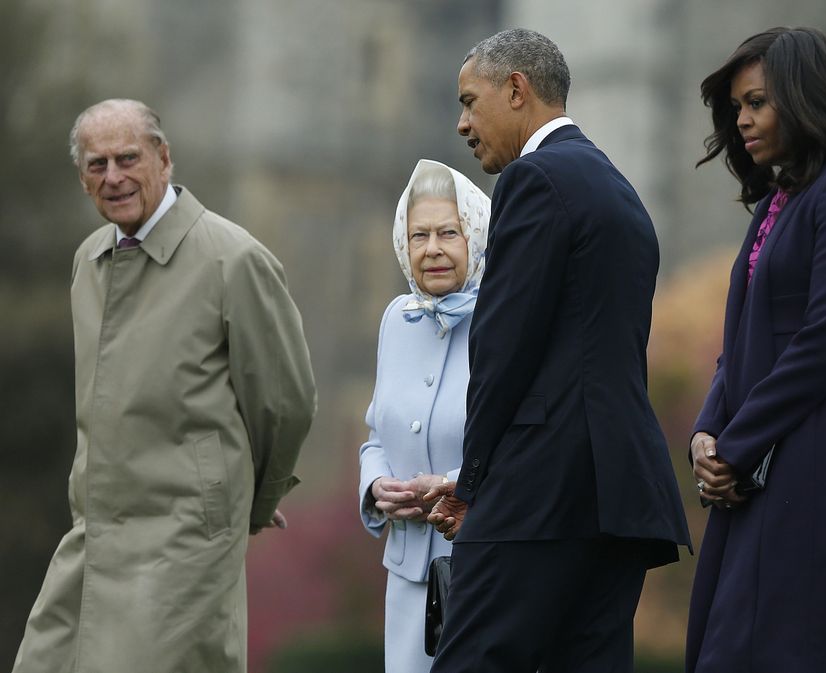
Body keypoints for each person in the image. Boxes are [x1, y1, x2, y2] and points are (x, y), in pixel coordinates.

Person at [13, 99, 317, 673]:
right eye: (97, 165)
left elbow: (286, 401)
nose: (115, 177)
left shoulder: (234, 258)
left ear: (164, 158)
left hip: (184, 543)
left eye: (128, 158)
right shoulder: (89, 261)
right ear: (82, 179)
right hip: (93, 536)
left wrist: (257, 499)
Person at [422, 28, 692, 673]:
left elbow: (504, 347)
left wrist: (472, 481)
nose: (461, 124)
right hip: (618, 496)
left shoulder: (535, 179)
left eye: (469, 101)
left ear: (516, 90)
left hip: (540, 493)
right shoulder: (616, 187)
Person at [686, 27, 826, 673]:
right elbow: (744, 339)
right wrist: (707, 430)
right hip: (761, 458)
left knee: (801, 647)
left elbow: (824, 342)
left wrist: (735, 445)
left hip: (825, 458)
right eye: (736, 107)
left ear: (805, 97)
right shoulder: (781, 199)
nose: (743, 119)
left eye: (757, 102)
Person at [358, 159, 490, 673]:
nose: (432, 249)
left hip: (479, 567)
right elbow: (376, 436)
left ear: (475, 237)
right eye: (418, 236)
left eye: (448, 233)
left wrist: (454, 484)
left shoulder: (503, 321)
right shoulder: (397, 318)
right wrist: (375, 487)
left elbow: (523, 443)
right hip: (408, 572)